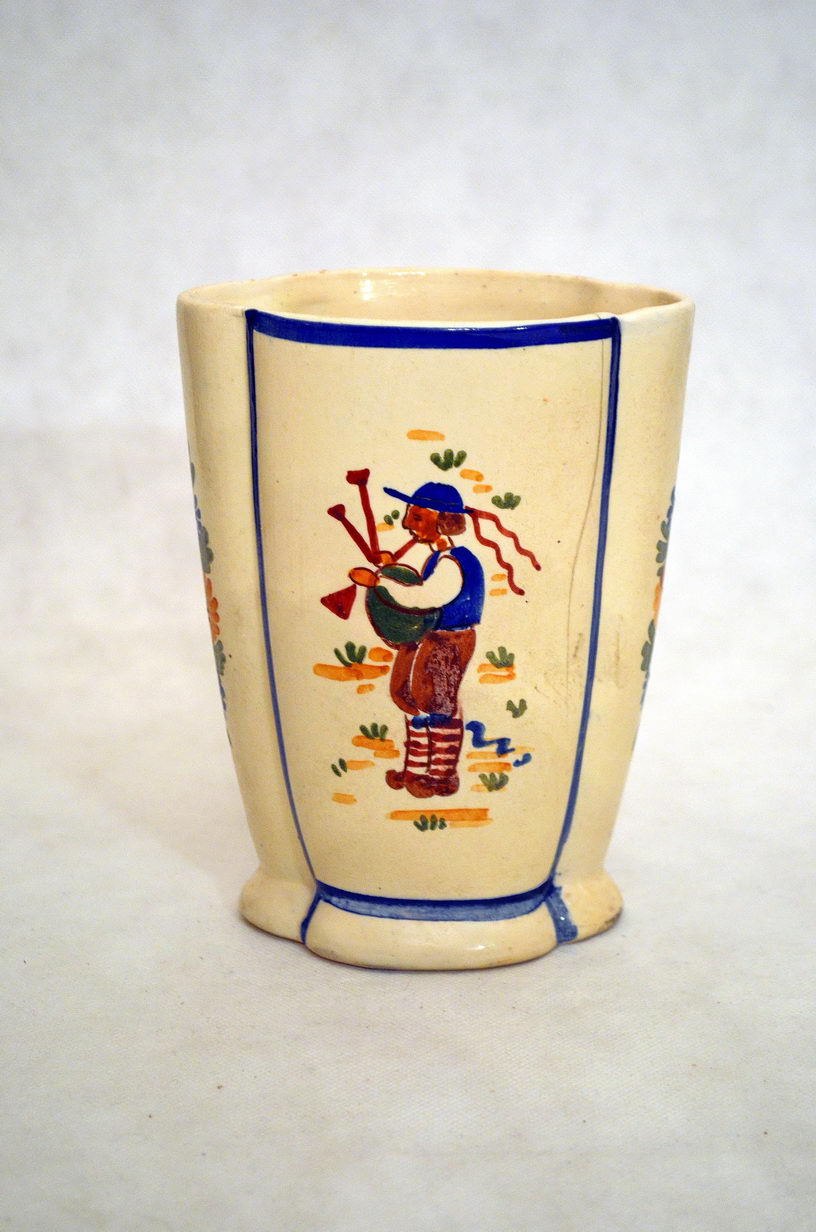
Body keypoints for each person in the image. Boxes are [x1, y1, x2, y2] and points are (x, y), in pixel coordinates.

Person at [349, 482, 484, 799]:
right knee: (407, 696)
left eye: (417, 516)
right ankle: (414, 769)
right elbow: (421, 589)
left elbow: (426, 597)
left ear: (442, 520)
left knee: (435, 701)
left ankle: (441, 776)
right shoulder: (438, 558)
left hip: (450, 638)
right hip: (429, 634)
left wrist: (378, 582)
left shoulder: (455, 560)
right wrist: (390, 569)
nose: (408, 523)